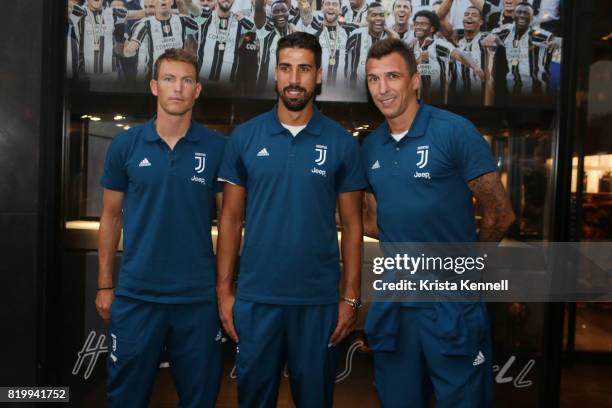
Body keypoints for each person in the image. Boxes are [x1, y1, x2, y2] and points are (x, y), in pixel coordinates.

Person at [361, 38, 515, 407]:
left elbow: (500, 212)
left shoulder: (453, 131)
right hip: (395, 305)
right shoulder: (370, 147)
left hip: (451, 306)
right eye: (373, 79)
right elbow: (373, 220)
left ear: (415, 80)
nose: (383, 89)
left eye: (393, 76)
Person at [216, 32, 366, 408]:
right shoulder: (245, 138)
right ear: (275, 74)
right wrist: (223, 291)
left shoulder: (341, 142)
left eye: (303, 69)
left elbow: (352, 226)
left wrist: (350, 297)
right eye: (286, 68)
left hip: (317, 303)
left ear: (318, 75)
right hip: (256, 299)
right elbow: (231, 219)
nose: (294, 78)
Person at [97, 49, 225, 407]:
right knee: (125, 398)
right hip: (137, 296)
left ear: (197, 90)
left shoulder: (218, 148)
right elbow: (110, 217)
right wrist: (105, 284)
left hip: (198, 299)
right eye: (169, 79)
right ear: (154, 86)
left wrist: (225, 288)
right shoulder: (125, 145)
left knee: (200, 399)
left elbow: (230, 223)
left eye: (186, 81)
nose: (177, 89)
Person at [482, 1, 560, 96]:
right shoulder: (503, 32)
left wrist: (555, 42)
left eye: (526, 13)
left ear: (531, 18)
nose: (522, 15)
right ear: (513, 16)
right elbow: (485, 39)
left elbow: (554, 39)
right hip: (507, 92)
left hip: (535, 92)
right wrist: (491, 38)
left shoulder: (538, 34)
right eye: (519, 12)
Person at [407, 9, 484, 102]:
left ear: (432, 29)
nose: (418, 26)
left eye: (423, 24)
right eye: (416, 23)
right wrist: (418, 61)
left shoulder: (438, 44)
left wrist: (475, 67)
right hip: (418, 99)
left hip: (439, 99)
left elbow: (459, 54)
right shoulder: (411, 47)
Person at [124, 0, 199, 80]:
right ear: (154, 2)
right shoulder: (144, 24)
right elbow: (130, 49)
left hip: (177, 77)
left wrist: (190, 4)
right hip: (153, 78)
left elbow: (204, 26)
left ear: (172, 2)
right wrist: (129, 50)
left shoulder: (183, 20)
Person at [68, 0, 128, 79]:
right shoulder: (79, 13)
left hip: (110, 74)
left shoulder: (112, 14)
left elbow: (120, 47)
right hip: (85, 72)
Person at [346, 2, 394, 87]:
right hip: (356, 92)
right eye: (374, 15)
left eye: (381, 15)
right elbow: (344, 56)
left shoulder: (389, 40)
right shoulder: (356, 35)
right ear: (367, 18)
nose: (378, 18)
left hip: (380, 91)